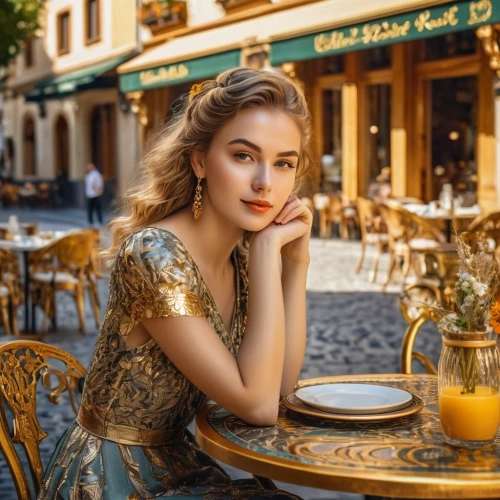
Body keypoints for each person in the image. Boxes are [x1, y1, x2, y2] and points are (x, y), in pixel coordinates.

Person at [39, 67, 313, 499]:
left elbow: (279, 388)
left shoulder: (239, 258)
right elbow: (259, 407)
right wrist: (265, 254)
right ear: (200, 160)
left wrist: (295, 263)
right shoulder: (153, 254)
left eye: (283, 163)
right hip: (110, 480)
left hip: (177, 463)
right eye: (243, 155)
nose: (265, 182)